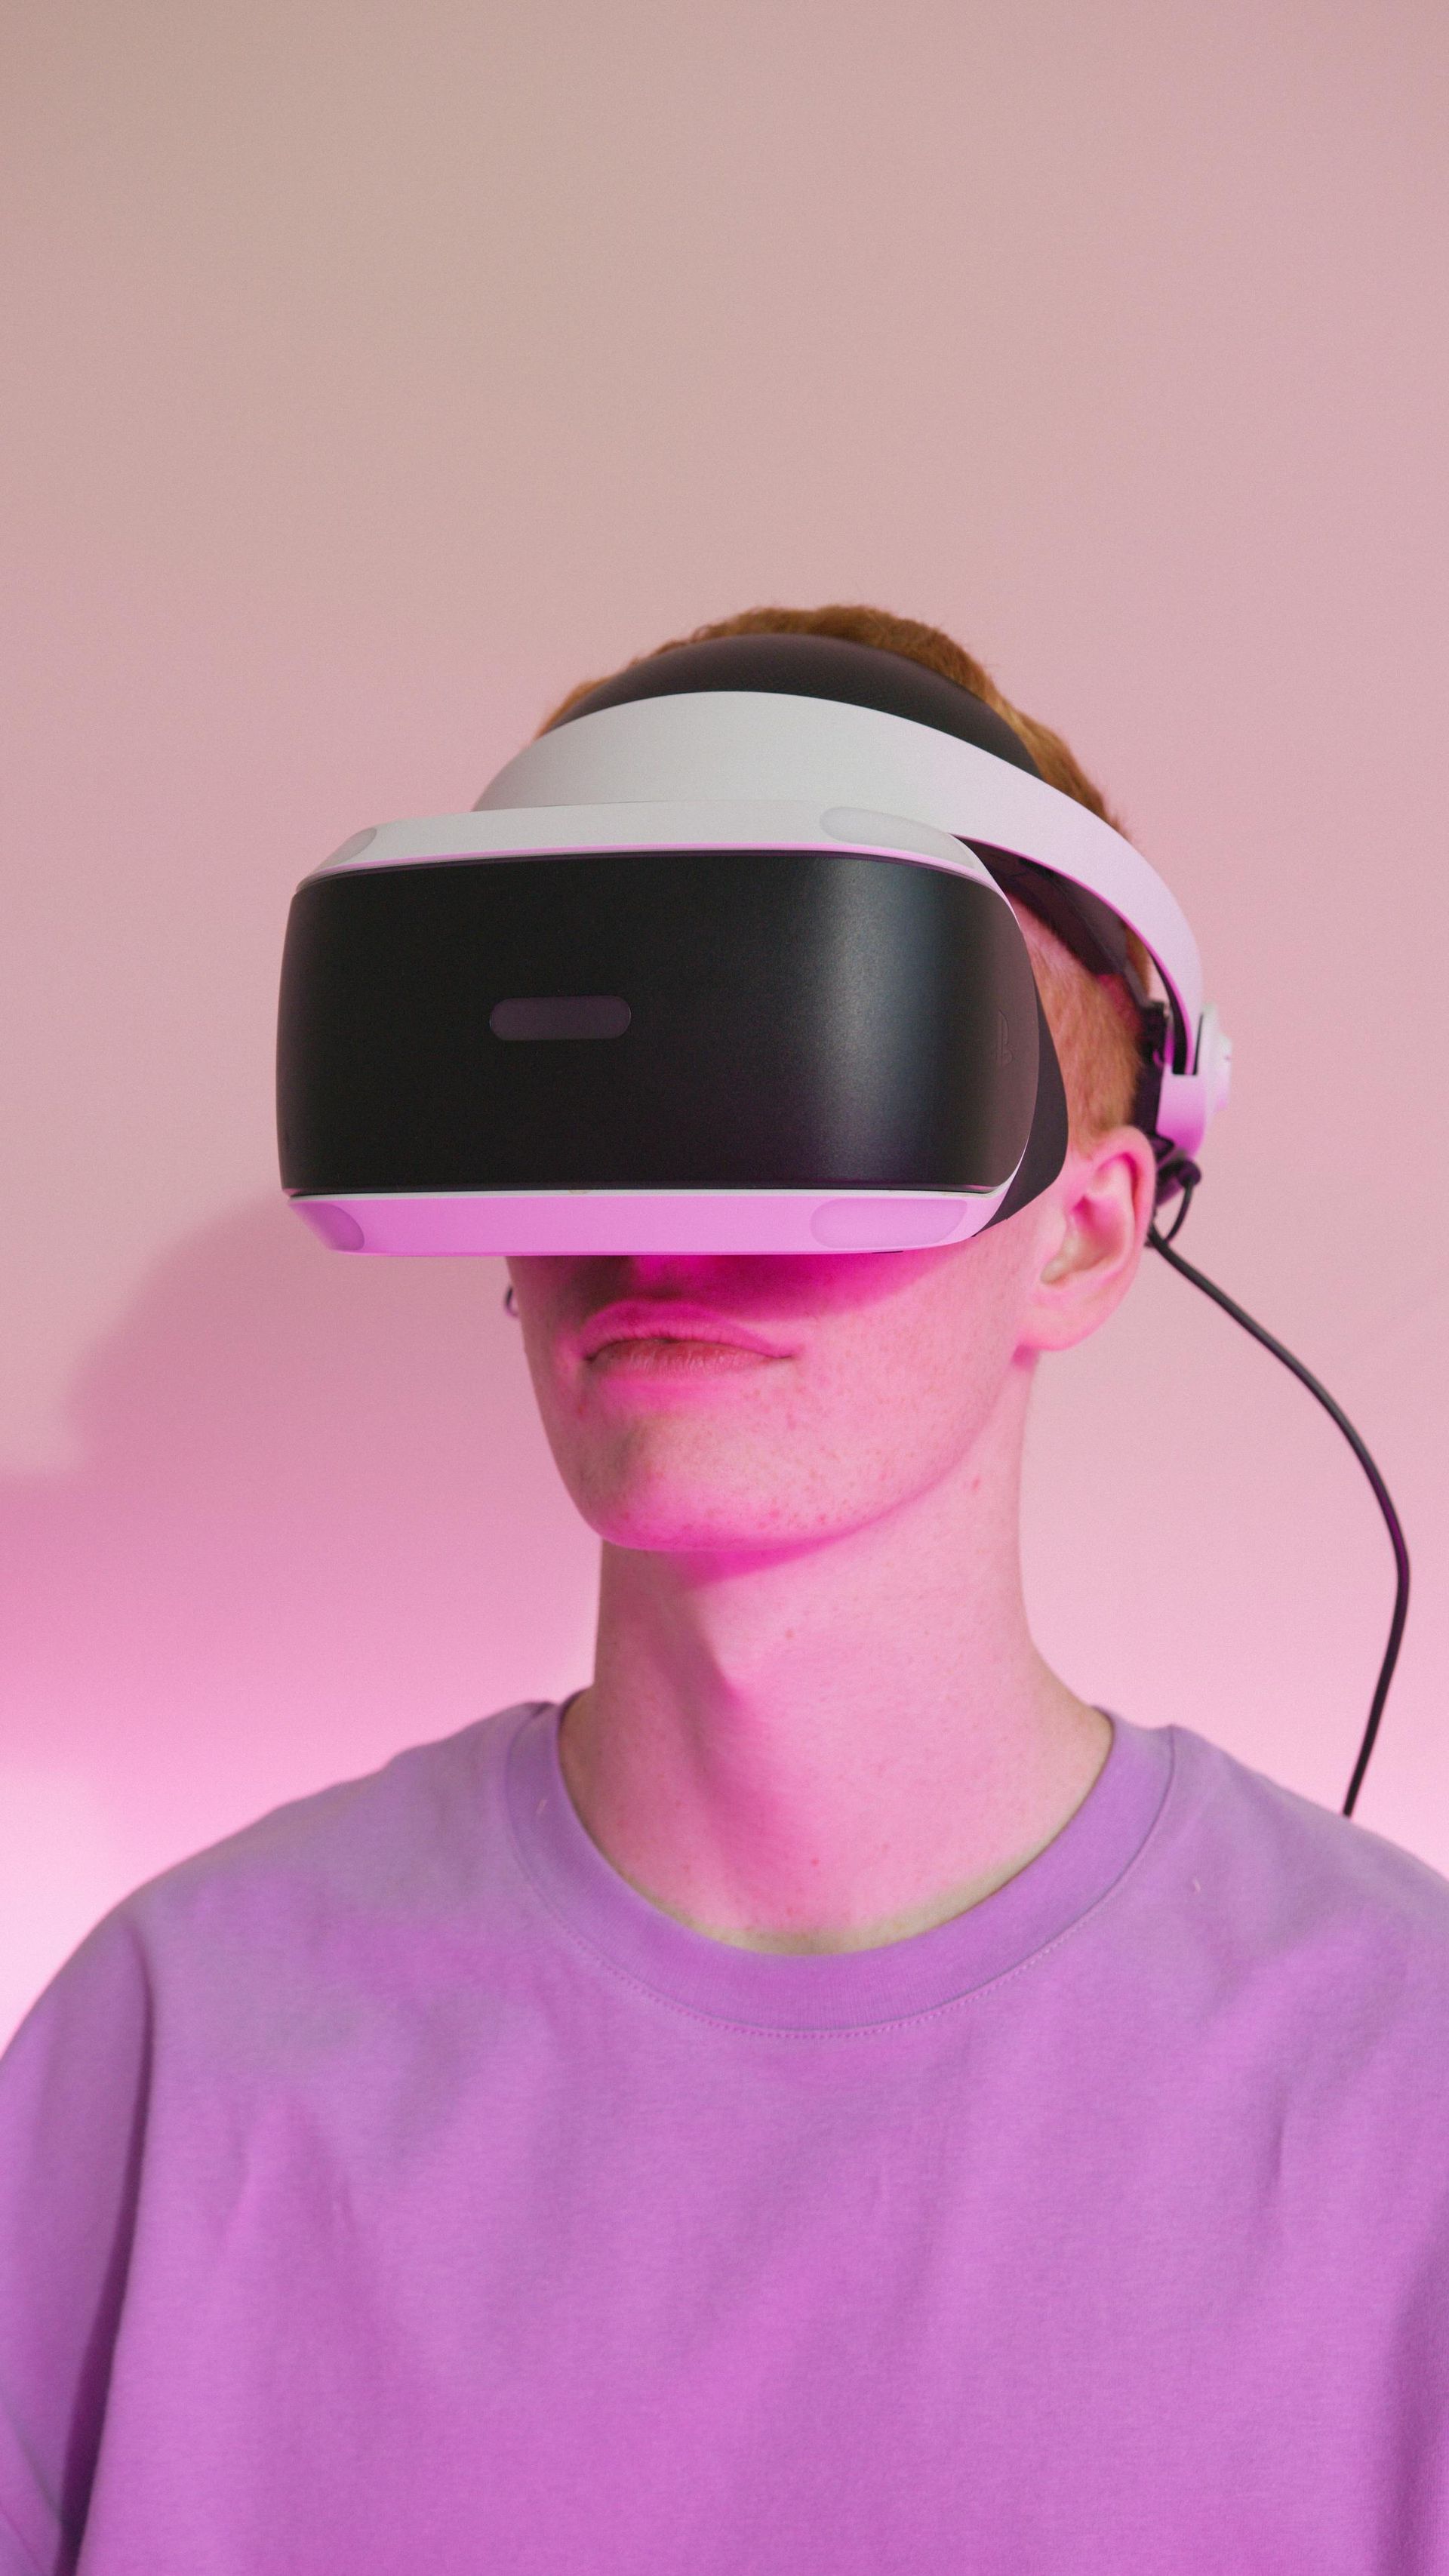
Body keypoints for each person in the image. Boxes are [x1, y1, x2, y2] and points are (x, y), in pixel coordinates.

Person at [2, 603, 1446, 2575]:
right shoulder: (170, 2056)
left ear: (1090, 1238)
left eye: (783, 1054)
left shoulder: (1403, 2087)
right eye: (590, 1096)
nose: (664, 1219)